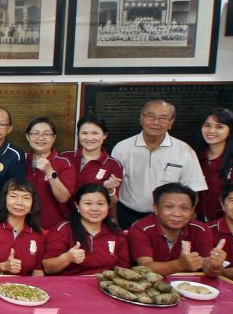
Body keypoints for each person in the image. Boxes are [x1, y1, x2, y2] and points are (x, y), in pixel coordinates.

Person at [111, 100, 207, 228]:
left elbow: (193, 189)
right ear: (141, 118)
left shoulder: (184, 151)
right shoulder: (122, 148)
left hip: (168, 218)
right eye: (151, 116)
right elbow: (113, 186)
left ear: (171, 122)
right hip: (128, 216)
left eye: (163, 118)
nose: (156, 122)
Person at [128, 183, 218, 277]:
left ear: (192, 211)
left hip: (189, 286)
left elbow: (208, 269)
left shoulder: (201, 230)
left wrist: (215, 266)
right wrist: (179, 265)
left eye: (184, 208)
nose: (177, 214)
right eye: (169, 207)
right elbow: (145, 268)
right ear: (156, 208)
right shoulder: (141, 229)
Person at [42, 184, 130, 275]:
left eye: (100, 204)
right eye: (88, 203)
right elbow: (48, 268)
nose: (95, 209)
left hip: (105, 285)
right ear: (77, 206)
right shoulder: (63, 229)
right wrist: (67, 258)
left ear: (108, 206)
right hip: (69, 285)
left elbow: (123, 269)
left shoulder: (117, 233)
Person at [0, 178, 46, 276]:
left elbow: (37, 271)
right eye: (13, 196)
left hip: (25, 289)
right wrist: (3, 266)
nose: (19, 203)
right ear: (4, 199)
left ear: (33, 204)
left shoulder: (37, 233)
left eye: (26, 198)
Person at [58, 115, 124, 211]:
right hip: (63, 217)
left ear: (104, 135)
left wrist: (110, 190)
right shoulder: (65, 157)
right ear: (78, 134)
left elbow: (111, 204)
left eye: (95, 133)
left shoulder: (113, 165)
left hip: (92, 217)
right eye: (84, 133)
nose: (89, 138)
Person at [23, 117, 78, 229]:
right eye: (35, 133)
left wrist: (49, 171)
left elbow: (63, 198)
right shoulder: (21, 160)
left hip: (55, 229)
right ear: (28, 137)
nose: (40, 138)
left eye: (46, 134)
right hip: (24, 228)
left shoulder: (64, 163)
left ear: (53, 138)